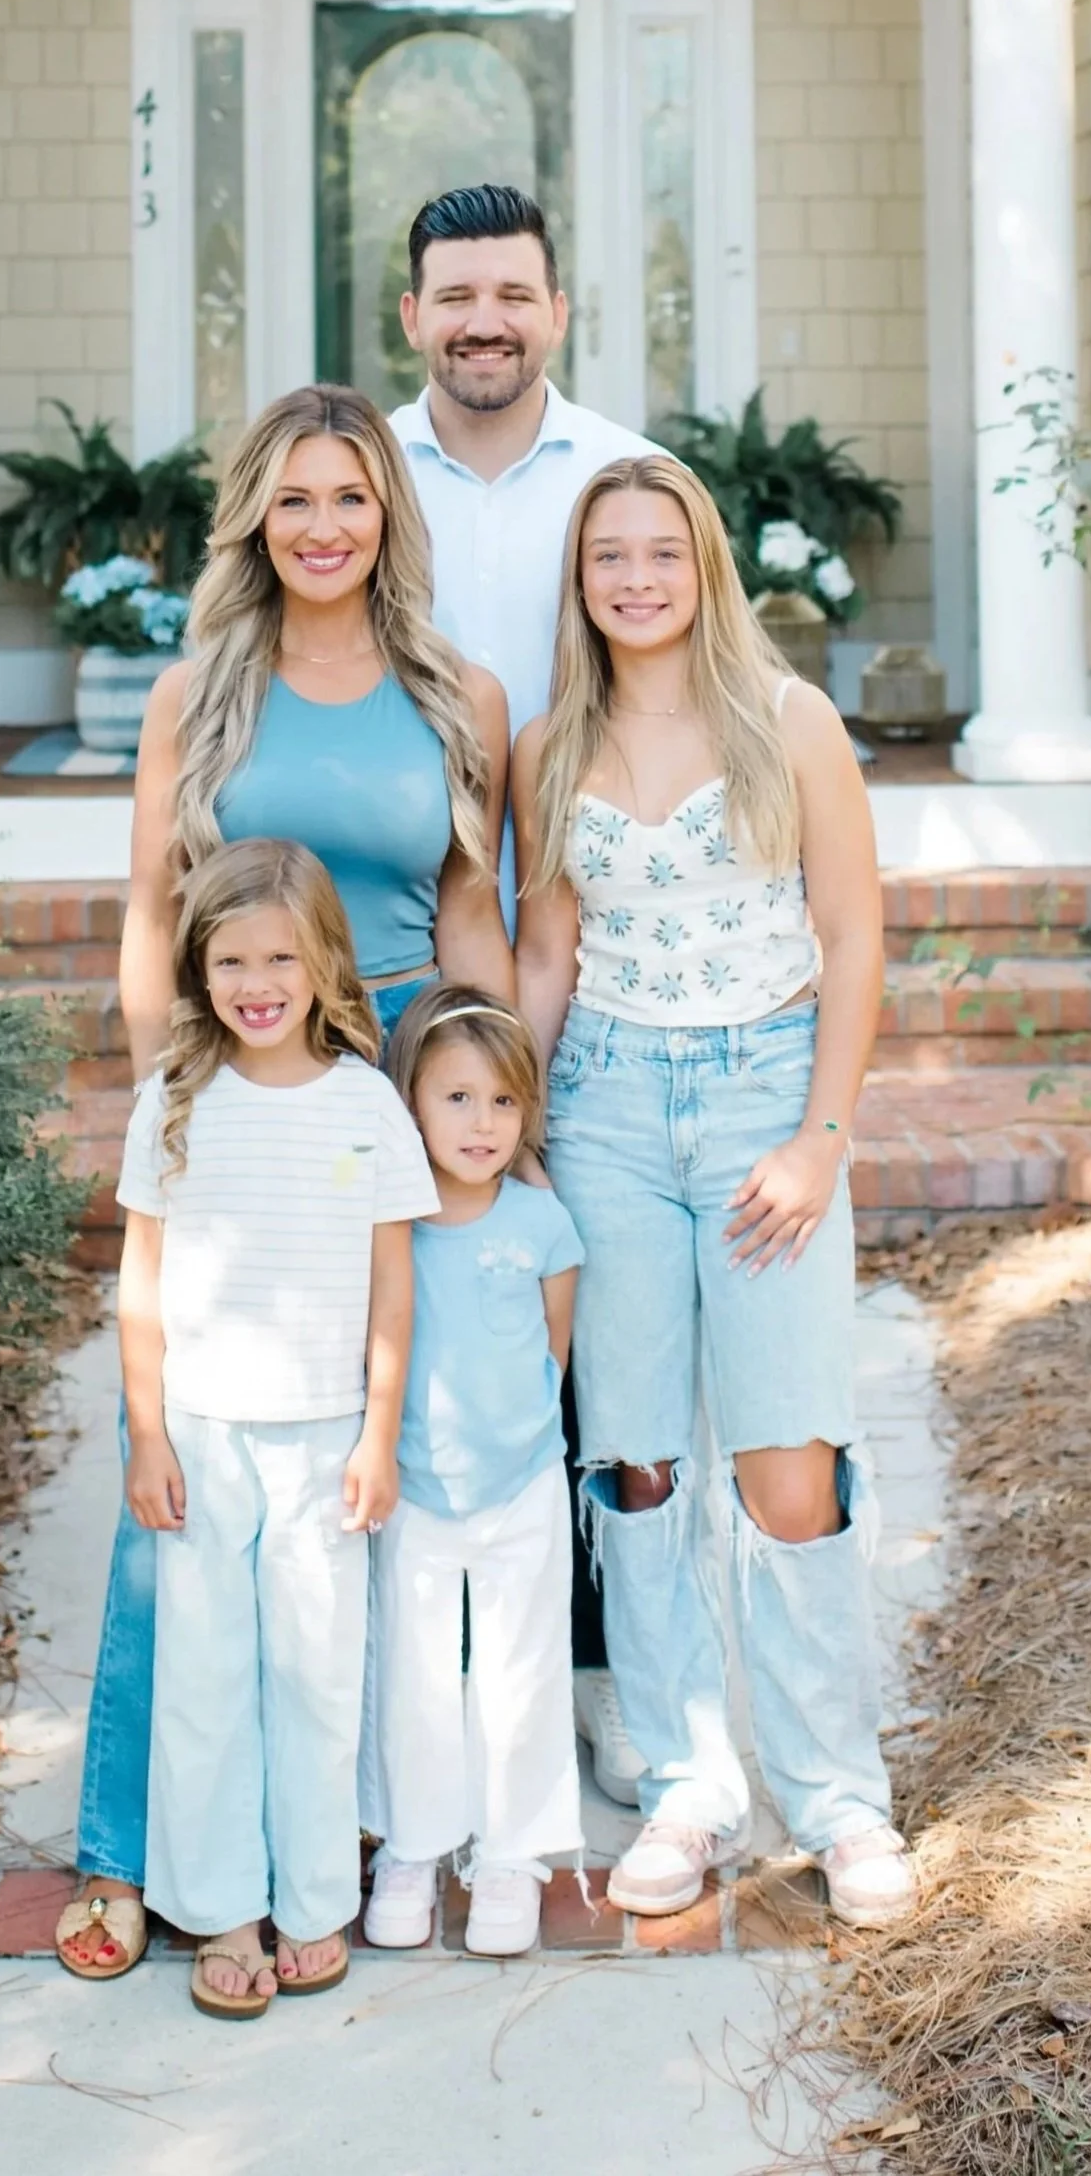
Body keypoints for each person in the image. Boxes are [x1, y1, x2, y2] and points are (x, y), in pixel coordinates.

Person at [58, 384, 510, 1978]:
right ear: (255, 517)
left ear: (391, 514)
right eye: (295, 500)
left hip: (392, 1082)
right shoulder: (202, 694)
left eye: (353, 497)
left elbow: (468, 918)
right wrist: (165, 1083)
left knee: (384, 1462)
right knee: (176, 1475)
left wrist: (484, 1089)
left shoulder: (461, 692)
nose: (324, 527)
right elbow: (148, 900)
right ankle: (128, 1850)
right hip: (233, 1080)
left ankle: (364, 1824)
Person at [512, 454, 917, 1931]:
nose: (634, 577)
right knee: (632, 1459)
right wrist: (527, 1127)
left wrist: (820, 1135)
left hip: (761, 1096)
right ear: (582, 578)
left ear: (703, 567)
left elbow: (852, 932)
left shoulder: (788, 722)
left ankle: (836, 1793)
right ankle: (687, 1778)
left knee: (785, 1465)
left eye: (659, 552)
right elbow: (546, 951)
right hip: (606, 1106)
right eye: (606, 555)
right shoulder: (548, 740)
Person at [389, 182, 656, 1806]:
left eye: (512, 293)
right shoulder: (360, 481)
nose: (483, 319)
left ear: (556, 308)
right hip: (404, 953)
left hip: (592, 948)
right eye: (454, 295)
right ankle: (422, 1664)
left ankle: (592, 1673)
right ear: (409, 311)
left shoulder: (620, 477)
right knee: (420, 1307)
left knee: (588, 1327)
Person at [113, 838, 438, 2018]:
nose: (256, 981)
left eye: (279, 958)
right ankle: (220, 1908)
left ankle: (310, 1899)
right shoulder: (176, 1103)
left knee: (310, 1671)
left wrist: (377, 1433)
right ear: (200, 971)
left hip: (321, 1437)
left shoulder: (364, 1103)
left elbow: (390, 1284)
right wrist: (147, 1433)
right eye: (230, 958)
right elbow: (140, 1284)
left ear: (322, 965)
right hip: (202, 1432)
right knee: (204, 1676)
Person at [361, 986, 586, 1959]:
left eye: (501, 1100)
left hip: (520, 1480)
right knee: (409, 1667)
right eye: (454, 1098)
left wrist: (522, 1450)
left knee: (518, 1670)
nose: (481, 1122)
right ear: (407, 1101)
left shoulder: (541, 1225)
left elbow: (553, 1350)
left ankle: (510, 1852)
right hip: (410, 1482)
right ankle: (411, 1843)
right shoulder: (389, 1225)